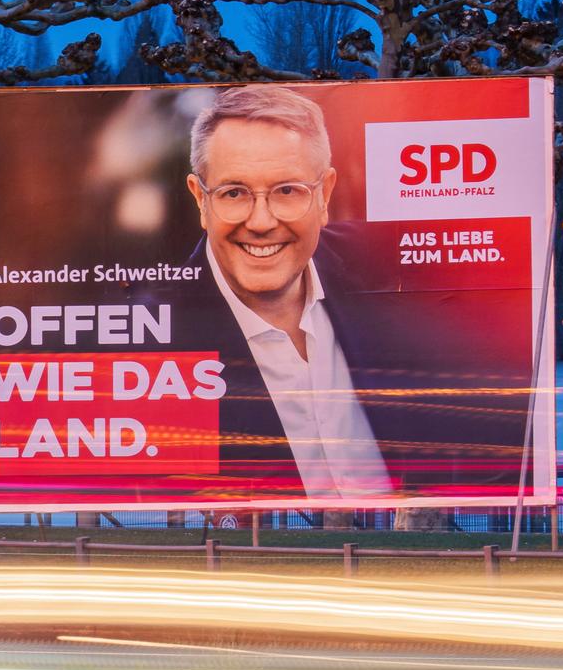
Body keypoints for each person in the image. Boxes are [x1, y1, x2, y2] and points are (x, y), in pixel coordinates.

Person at [166, 87, 396, 499]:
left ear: (325, 194)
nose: (261, 221)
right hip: (264, 548)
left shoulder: (394, 267)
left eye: (287, 190)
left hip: (397, 546)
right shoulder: (156, 333)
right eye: (233, 193)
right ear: (200, 198)